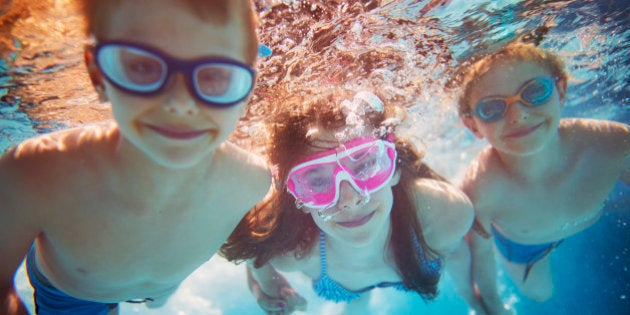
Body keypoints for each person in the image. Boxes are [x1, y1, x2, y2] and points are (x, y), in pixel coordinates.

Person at [0, 0, 270, 314]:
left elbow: (251, 237)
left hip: (155, 292)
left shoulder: (253, 182)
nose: (179, 103)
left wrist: (264, 276)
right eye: (143, 67)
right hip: (75, 295)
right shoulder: (34, 174)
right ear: (98, 76)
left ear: (248, 91)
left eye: (215, 76)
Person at [220, 89, 475, 314]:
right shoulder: (292, 256)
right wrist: (266, 287)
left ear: (394, 167)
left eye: (364, 165)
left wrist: (481, 300)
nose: (350, 200)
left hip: (416, 250)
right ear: (297, 196)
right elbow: (256, 251)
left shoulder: (445, 213)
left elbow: (459, 254)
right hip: (342, 276)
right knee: (358, 304)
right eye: (317, 182)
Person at [453, 42, 630, 314]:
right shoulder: (479, 190)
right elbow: (482, 260)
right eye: (492, 108)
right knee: (540, 294)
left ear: (560, 90)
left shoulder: (614, 144)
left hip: (585, 217)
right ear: (472, 125)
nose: (518, 114)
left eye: (534, 92)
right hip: (525, 247)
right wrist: (495, 308)